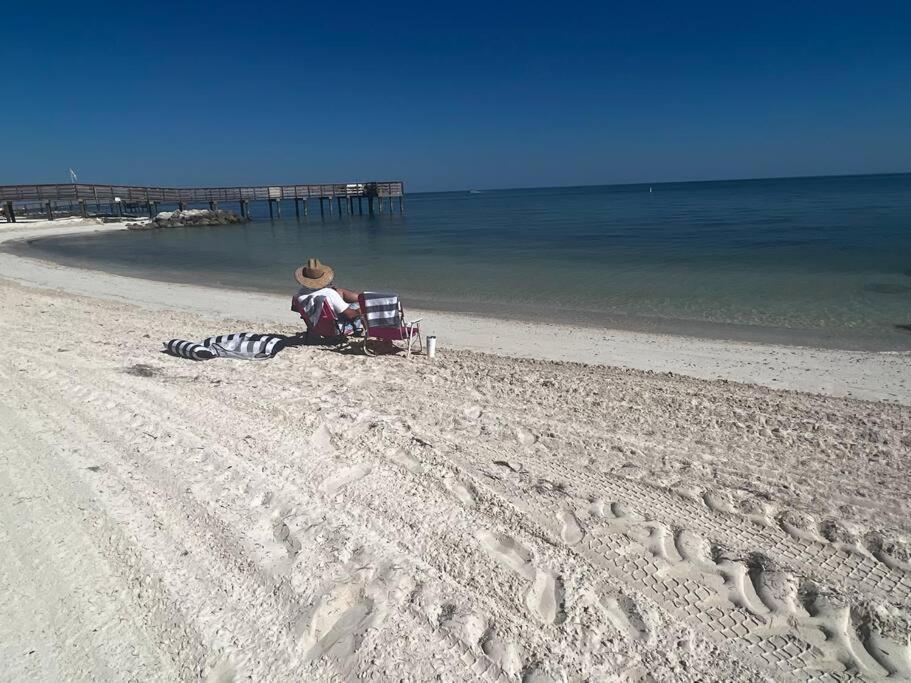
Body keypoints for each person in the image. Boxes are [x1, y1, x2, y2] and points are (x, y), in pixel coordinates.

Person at [293, 258, 362, 325]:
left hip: (316, 326)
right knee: (360, 303)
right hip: (336, 327)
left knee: (339, 291)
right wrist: (362, 310)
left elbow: (295, 308)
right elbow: (351, 315)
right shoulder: (329, 293)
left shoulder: (300, 293)